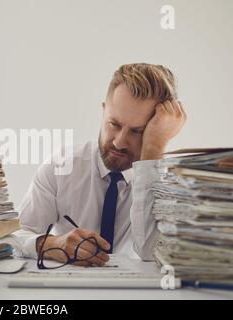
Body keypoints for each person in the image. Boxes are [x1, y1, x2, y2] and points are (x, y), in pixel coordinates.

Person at [14, 63, 187, 267]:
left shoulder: (174, 183)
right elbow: (14, 238)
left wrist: (152, 152)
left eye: (138, 131)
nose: (119, 142)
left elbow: (151, 252)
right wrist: (52, 243)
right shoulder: (62, 165)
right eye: (114, 124)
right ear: (103, 111)